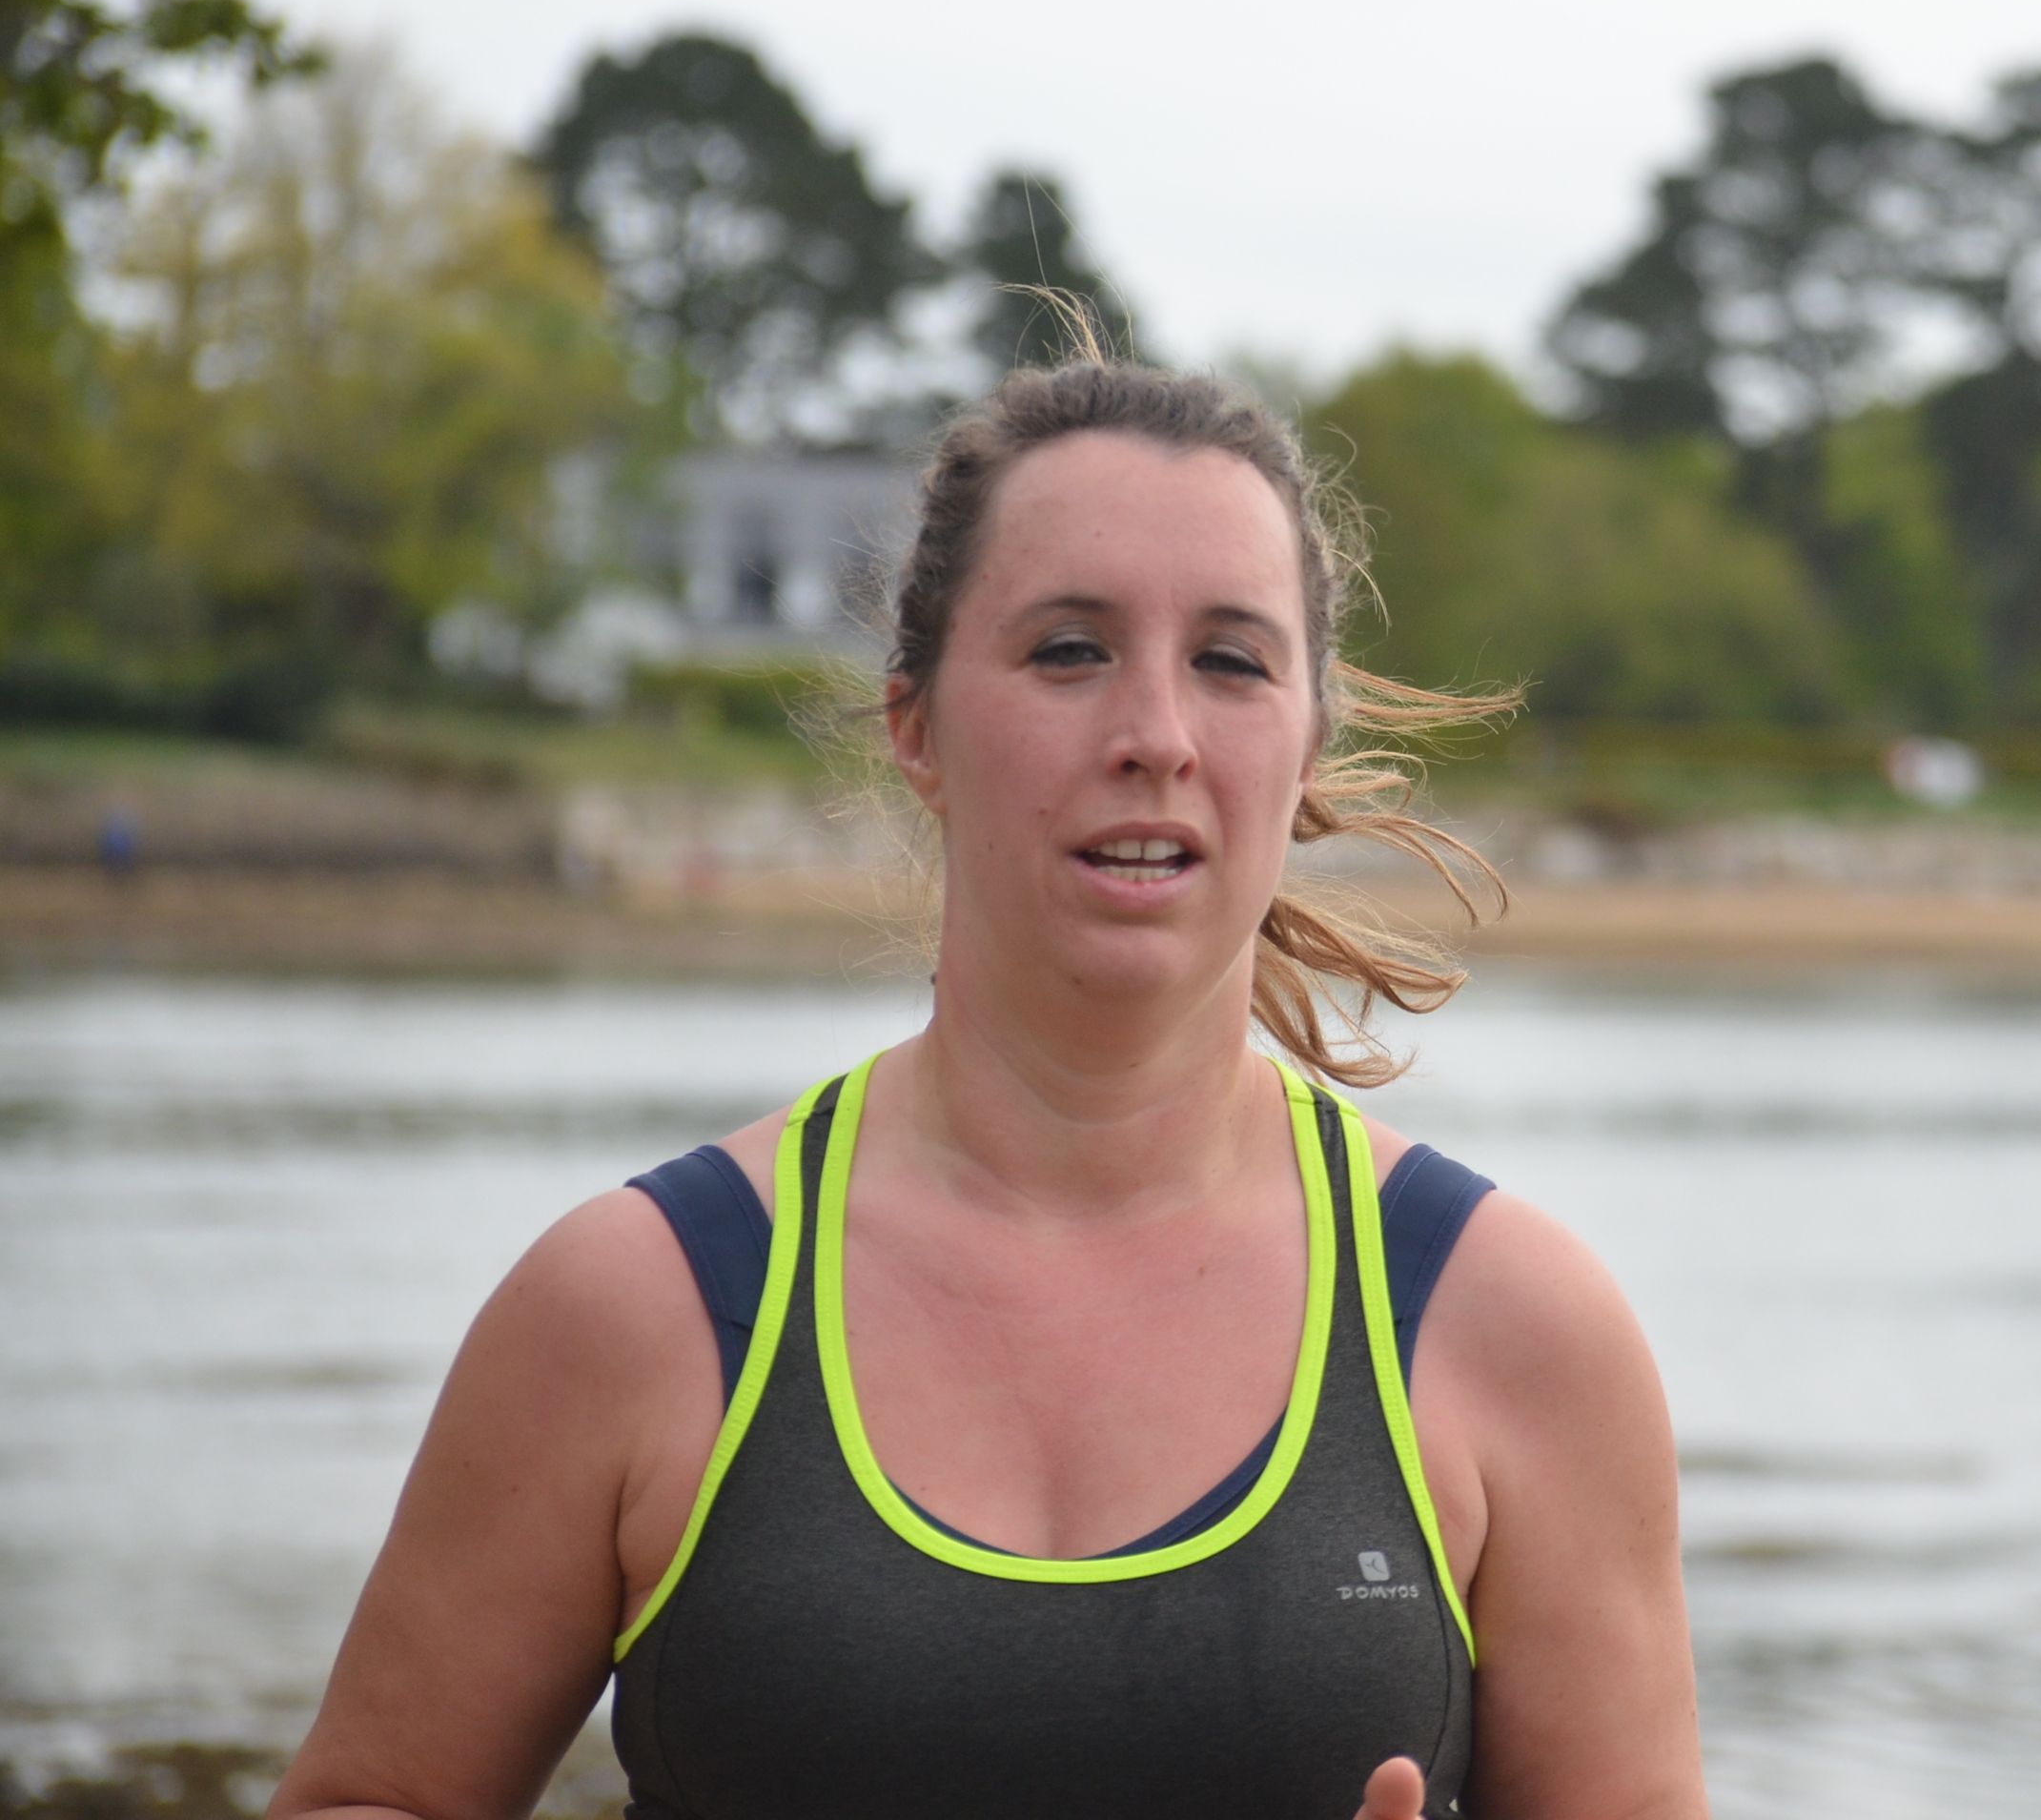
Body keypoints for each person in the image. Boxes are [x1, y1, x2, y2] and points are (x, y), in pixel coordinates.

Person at [272, 358, 1707, 1820]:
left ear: (1309, 743)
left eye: (1232, 661)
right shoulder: (637, 1307)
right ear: (916, 727)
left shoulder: (1514, 1329)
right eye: (1070, 650)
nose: (1158, 734)